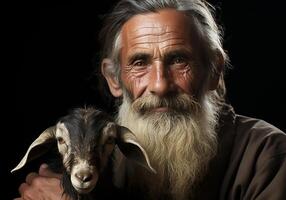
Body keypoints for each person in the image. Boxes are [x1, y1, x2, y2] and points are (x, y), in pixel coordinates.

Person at [15, 0, 286, 199]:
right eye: (140, 62)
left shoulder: (267, 153)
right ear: (113, 79)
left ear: (214, 71)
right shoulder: (97, 155)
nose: (160, 85)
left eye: (179, 60)